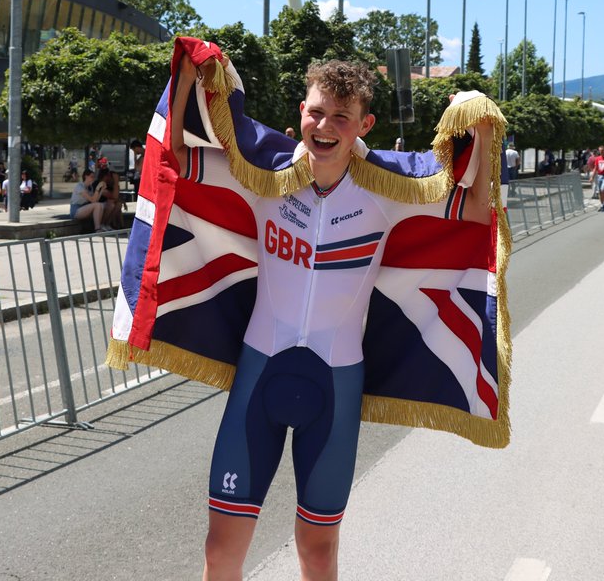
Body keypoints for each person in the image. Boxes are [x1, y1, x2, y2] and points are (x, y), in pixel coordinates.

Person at [106, 39, 510, 581]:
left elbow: (477, 206)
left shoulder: (388, 189)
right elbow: (175, 158)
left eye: (341, 117)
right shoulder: (264, 171)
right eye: (317, 112)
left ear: (363, 125)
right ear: (301, 113)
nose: (326, 125)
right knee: (221, 550)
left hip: (335, 388)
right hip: (260, 376)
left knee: (317, 553)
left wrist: (479, 120)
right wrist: (185, 72)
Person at [93, 161, 122, 229]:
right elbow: (114, 197)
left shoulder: (109, 185)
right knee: (111, 204)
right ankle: (102, 224)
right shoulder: (99, 184)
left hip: (104, 205)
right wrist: (116, 182)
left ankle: (107, 224)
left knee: (118, 204)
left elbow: (117, 197)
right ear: (107, 175)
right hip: (98, 205)